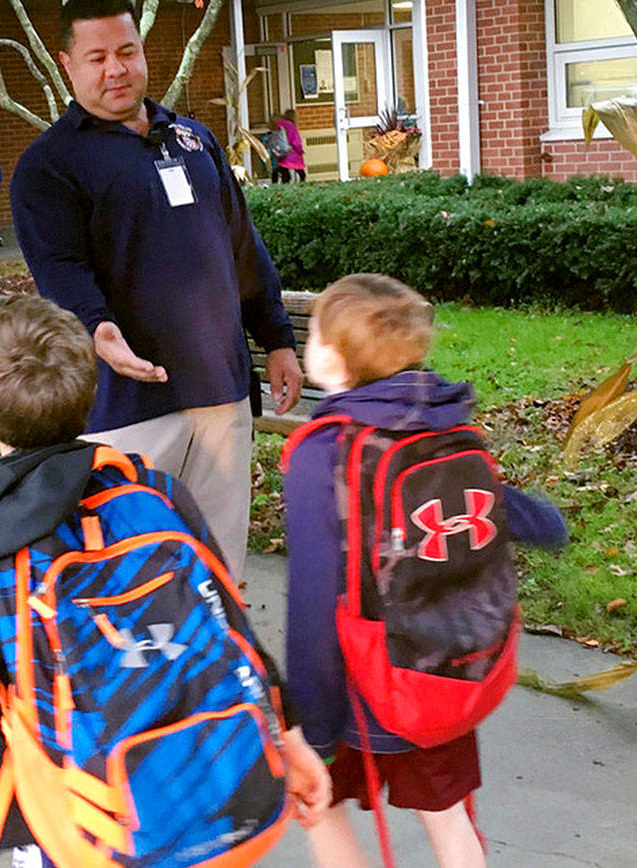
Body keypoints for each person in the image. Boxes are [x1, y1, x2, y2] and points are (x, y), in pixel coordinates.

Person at [0, 294, 330, 865]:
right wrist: (290, 732)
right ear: (91, 399)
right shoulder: (154, 493)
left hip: (79, 814)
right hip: (207, 791)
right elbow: (225, 616)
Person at [9, 0, 302, 581]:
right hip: (128, 407)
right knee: (133, 574)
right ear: (68, 64)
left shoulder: (193, 140)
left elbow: (241, 249)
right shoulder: (50, 166)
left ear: (142, 53)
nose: (115, 69)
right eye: (97, 58)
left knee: (219, 568)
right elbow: (60, 270)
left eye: (126, 52)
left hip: (220, 391)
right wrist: (97, 327)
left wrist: (277, 338)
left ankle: (216, 667)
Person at [282, 274, 568, 868]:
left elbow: (311, 598)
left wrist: (310, 726)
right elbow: (506, 509)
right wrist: (545, 523)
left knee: (323, 809)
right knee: (450, 820)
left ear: (332, 360)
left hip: (362, 687)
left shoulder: (321, 451)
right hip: (447, 673)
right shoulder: (452, 425)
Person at [272, 109, 306, 183]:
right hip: (292, 152)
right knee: (302, 174)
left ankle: (282, 188)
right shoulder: (292, 127)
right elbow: (295, 141)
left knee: (285, 175)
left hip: (282, 153)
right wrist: (300, 150)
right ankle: (302, 188)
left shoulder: (279, 125)